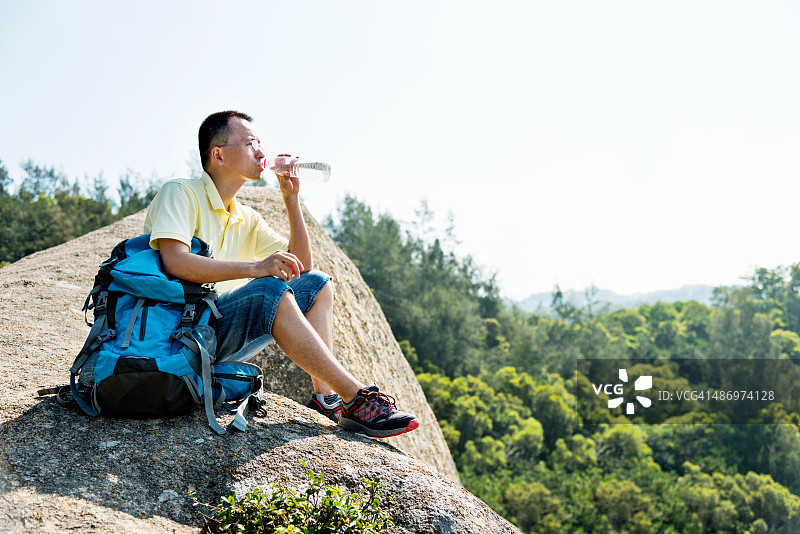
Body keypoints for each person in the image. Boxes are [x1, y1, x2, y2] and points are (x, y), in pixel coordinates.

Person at [143, 110, 419, 438]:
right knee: (267, 290)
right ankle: (355, 397)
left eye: (260, 143)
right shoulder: (181, 192)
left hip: (210, 333)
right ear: (217, 154)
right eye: (249, 144)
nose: (261, 152)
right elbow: (175, 262)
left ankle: (326, 399)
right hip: (174, 334)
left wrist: (291, 200)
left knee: (317, 285)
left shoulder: (245, 216)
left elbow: (301, 269)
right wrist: (256, 268)